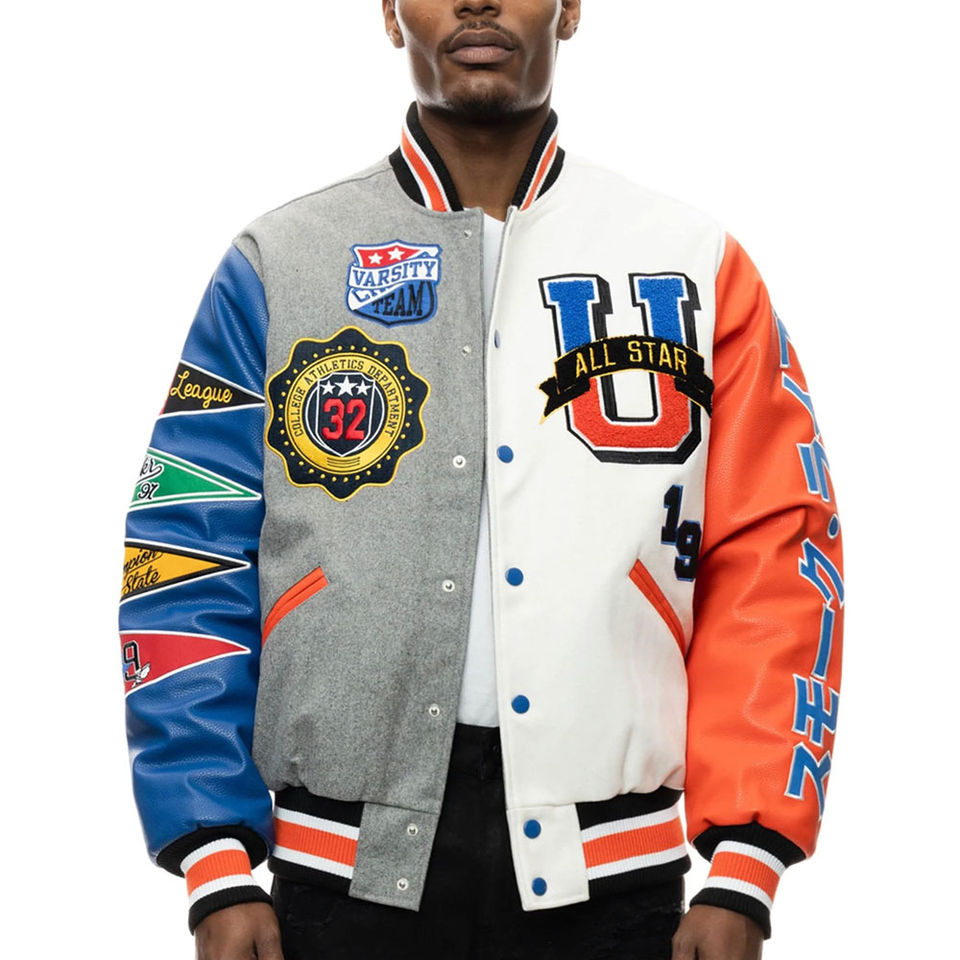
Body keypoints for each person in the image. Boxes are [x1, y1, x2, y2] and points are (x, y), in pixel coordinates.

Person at [118, 2, 844, 958]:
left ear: (570, 8)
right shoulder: (278, 262)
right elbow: (182, 549)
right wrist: (213, 857)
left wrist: (747, 863)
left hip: (618, 885)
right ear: (389, 14)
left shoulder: (694, 262)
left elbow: (776, 554)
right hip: (334, 882)